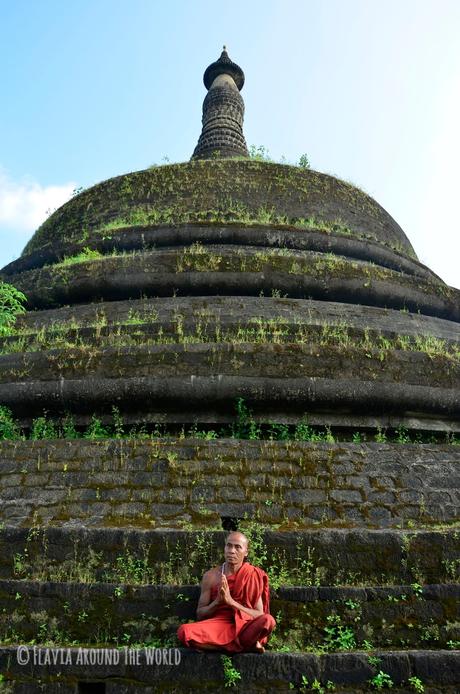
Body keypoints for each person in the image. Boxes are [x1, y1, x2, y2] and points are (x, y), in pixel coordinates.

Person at [177, 531, 276, 653]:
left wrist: (231, 602)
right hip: (219, 626)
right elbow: (200, 614)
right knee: (184, 632)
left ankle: (223, 646)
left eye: (238, 547)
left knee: (268, 620)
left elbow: (259, 615)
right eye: (229, 545)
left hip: (245, 626)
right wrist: (218, 602)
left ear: (246, 552)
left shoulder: (252, 574)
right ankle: (243, 646)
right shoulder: (211, 576)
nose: (232, 550)